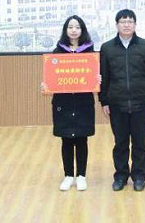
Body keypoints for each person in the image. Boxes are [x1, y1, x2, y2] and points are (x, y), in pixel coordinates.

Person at [99, 9, 145, 192]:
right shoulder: (107, 48)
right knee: (120, 143)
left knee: (140, 143)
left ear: (135, 24)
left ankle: (139, 177)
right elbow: (103, 77)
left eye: (130, 21)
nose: (126, 25)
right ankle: (121, 176)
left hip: (140, 102)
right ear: (116, 25)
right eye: (123, 21)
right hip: (116, 103)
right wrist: (104, 101)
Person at [44, 15, 98, 191]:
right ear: (65, 30)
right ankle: (68, 176)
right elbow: (51, 78)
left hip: (83, 102)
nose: (74, 30)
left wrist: (98, 79)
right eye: (70, 27)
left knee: (82, 139)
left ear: (82, 30)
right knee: (66, 140)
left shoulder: (90, 53)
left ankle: (81, 176)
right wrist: (47, 84)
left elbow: (94, 76)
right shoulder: (57, 53)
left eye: (77, 27)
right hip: (63, 103)